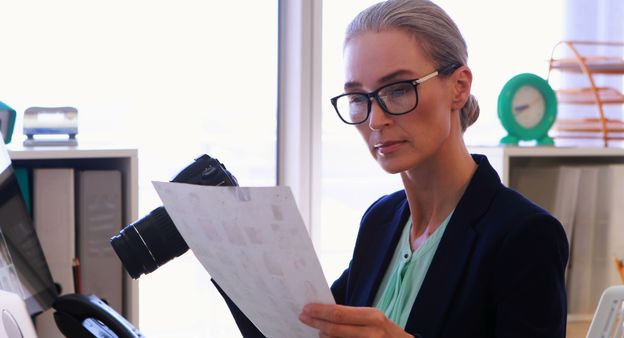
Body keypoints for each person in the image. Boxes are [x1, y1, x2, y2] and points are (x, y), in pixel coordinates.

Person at [220, 0, 568, 337]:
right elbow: (306, 328)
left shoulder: (525, 236)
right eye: (359, 98)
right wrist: (229, 249)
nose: (376, 120)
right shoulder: (380, 221)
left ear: (459, 87)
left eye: (399, 90)